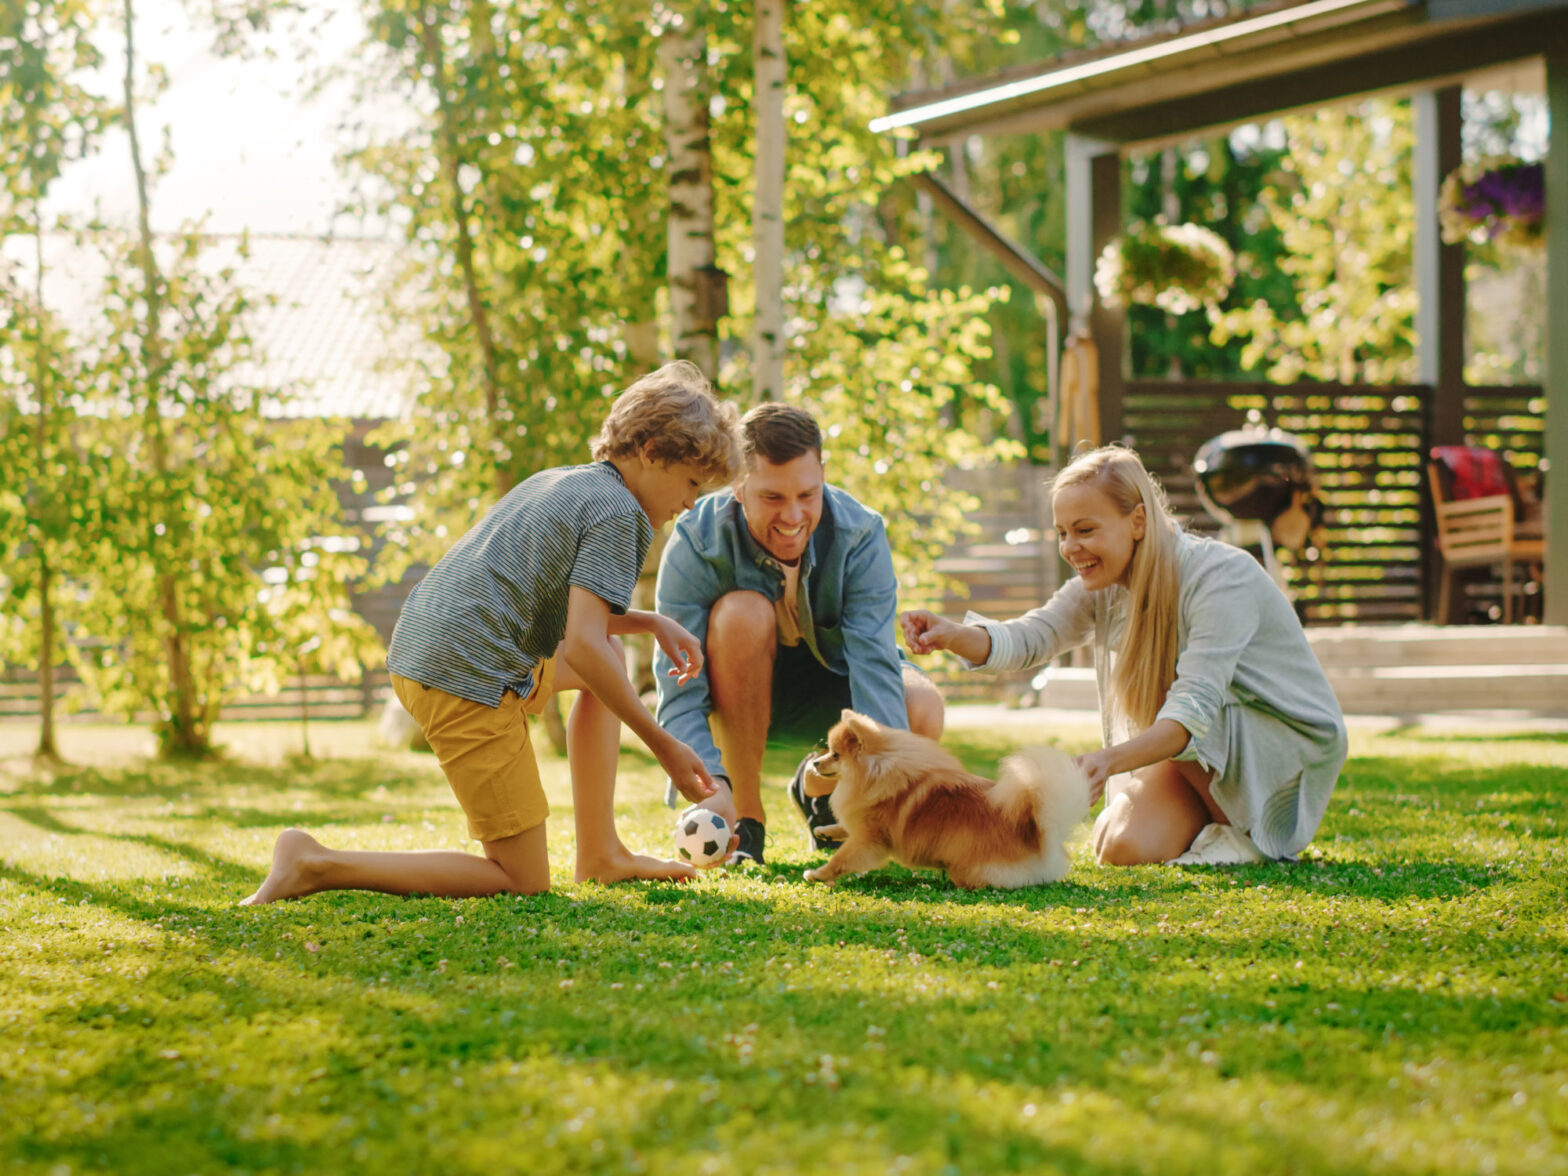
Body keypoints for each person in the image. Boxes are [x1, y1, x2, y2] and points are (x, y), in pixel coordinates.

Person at [241, 362, 744, 905]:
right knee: (520, 879)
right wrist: (664, 744)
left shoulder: (568, 483)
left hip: (432, 648)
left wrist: (648, 619)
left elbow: (571, 617)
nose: (692, 501)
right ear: (649, 451)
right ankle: (314, 863)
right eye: (692, 482)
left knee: (612, 652)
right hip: (464, 674)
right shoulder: (622, 513)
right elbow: (581, 644)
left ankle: (601, 854)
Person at [901, 444, 1346, 867]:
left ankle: (1250, 839)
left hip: (1279, 744)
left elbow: (1193, 709)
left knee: (1172, 703)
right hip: (1199, 751)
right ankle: (1217, 827)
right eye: (1062, 533)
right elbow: (1034, 636)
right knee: (1120, 846)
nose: (1070, 548)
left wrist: (1105, 761)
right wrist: (954, 635)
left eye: (1085, 530)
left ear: (1136, 521)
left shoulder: (1221, 578)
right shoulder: (1106, 584)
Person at [654, 403, 945, 865]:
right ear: (737, 482)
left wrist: (882, 801)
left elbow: (873, 663)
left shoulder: (860, 532)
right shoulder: (696, 540)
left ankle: (820, 794)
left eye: (808, 495)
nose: (793, 517)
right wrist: (712, 785)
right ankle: (746, 822)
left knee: (923, 708)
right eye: (772, 498)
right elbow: (679, 687)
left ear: (823, 474)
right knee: (741, 613)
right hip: (736, 697)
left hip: (835, 687)